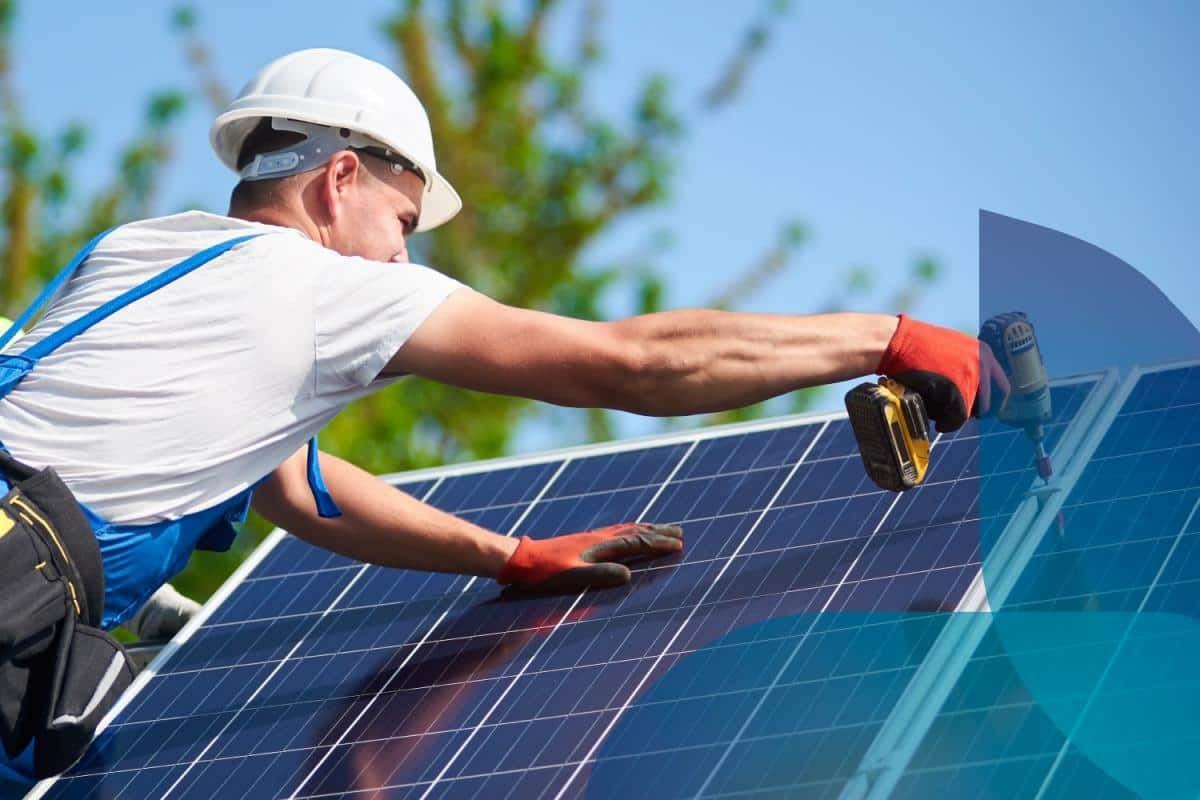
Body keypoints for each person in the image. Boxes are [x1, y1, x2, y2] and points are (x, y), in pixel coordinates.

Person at [0, 48, 1006, 785]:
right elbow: (633, 363)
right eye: (401, 222)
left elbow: (302, 489)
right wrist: (883, 339)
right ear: (339, 176)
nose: (402, 258)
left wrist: (506, 555)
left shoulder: (136, 252)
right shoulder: (322, 288)